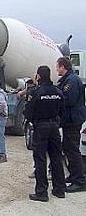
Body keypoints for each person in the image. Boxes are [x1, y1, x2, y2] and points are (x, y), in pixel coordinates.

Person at [24, 66, 66, 202]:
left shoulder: (36, 92)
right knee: (56, 158)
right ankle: (59, 190)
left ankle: (42, 192)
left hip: (41, 127)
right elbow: (63, 112)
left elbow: (28, 113)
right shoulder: (58, 92)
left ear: (39, 77)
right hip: (54, 127)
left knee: (40, 159)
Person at [56, 57, 86, 192]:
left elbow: (69, 99)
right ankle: (74, 175)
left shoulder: (72, 80)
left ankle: (80, 180)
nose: (57, 69)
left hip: (73, 120)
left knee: (72, 149)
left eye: (58, 66)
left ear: (63, 66)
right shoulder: (68, 79)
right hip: (69, 119)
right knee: (67, 148)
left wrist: (57, 98)